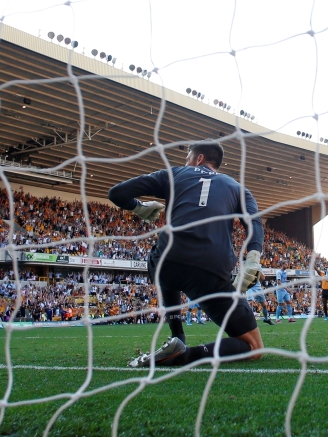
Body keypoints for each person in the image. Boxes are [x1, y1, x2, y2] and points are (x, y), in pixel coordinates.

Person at [108, 140, 265, 367]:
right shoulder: (238, 188)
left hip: (165, 263)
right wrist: (252, 258)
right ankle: (184, 354)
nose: (186, 162)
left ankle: (177, 336)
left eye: (188, 157)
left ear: (199, 158)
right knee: (253, 347)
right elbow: (255, 223)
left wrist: (138, 207)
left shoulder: (175, 174)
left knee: (167, 258)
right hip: (210, 269)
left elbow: (117, 193)